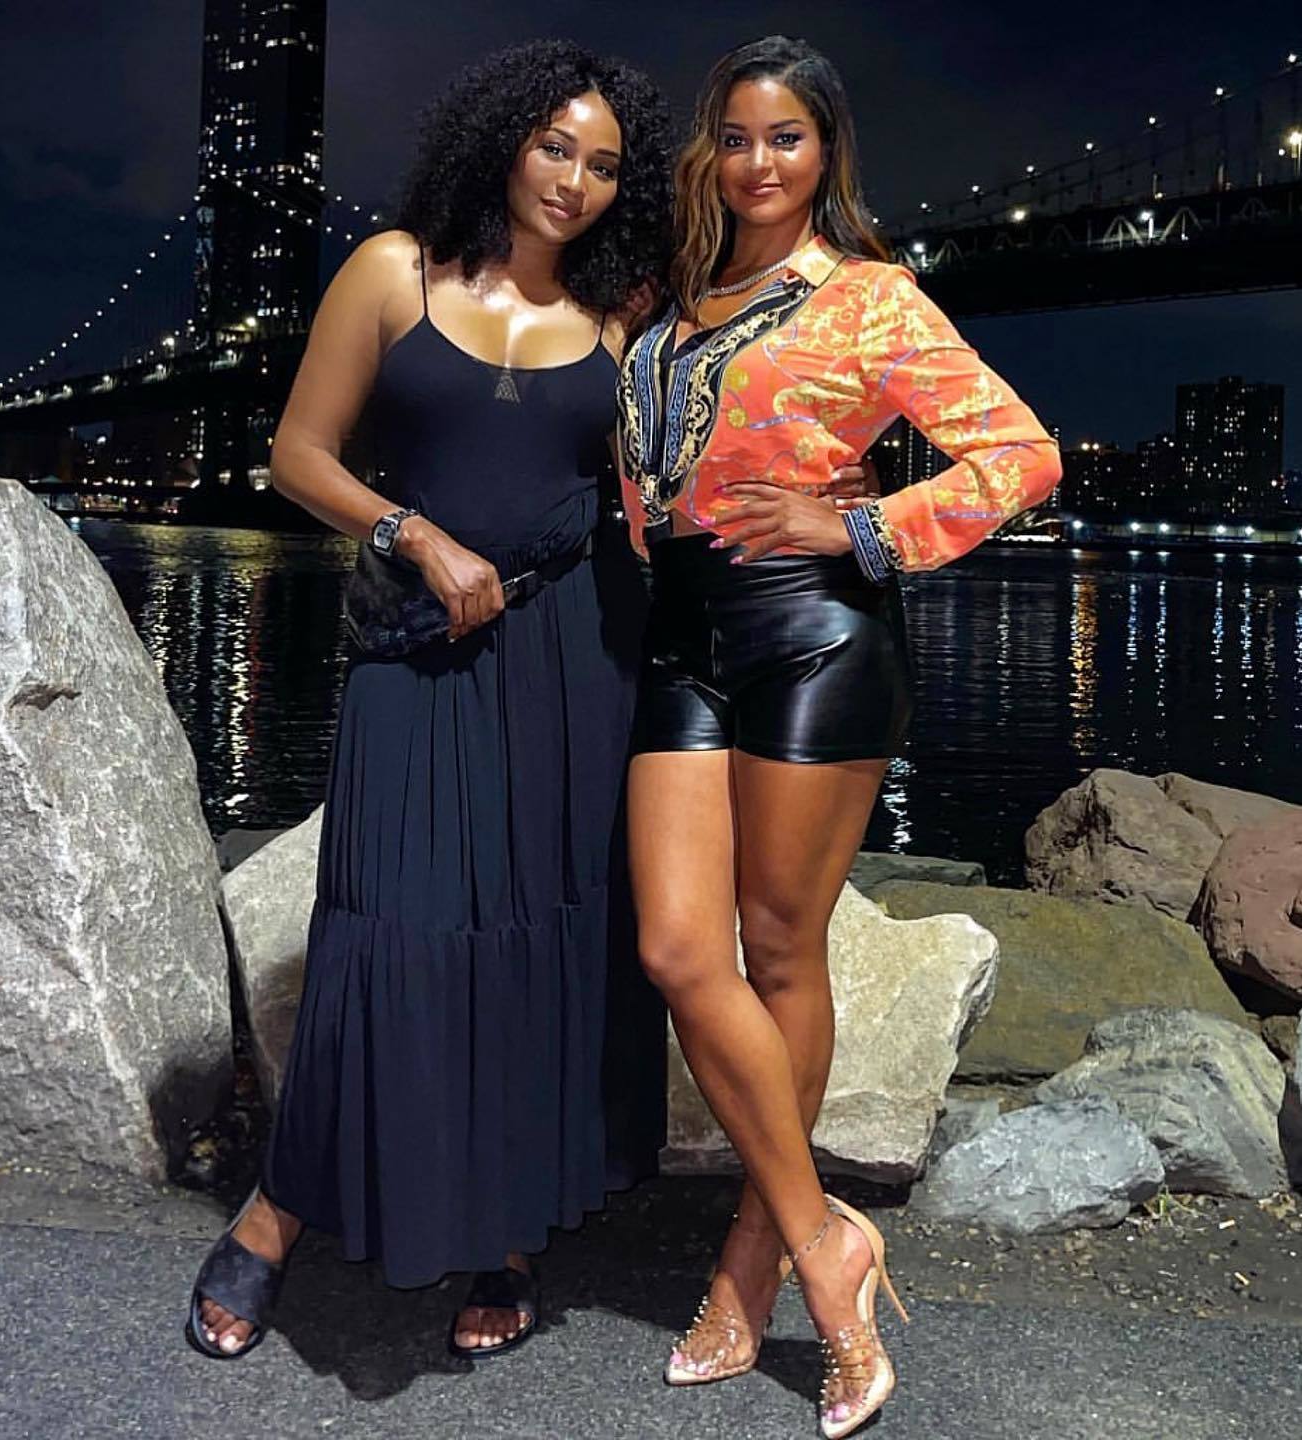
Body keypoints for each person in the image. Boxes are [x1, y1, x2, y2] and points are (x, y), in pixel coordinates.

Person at [183, 38, 676, 1362]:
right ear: (503, 139)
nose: (573, 181)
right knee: (383, 928)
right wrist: (415, 534)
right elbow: (298, 457)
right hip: (419, 637)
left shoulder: (618, 314)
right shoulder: (393, 270)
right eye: (555, 146)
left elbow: (674, 452)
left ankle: (504, 1227)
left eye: (604, 166)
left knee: (532, 934)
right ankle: (280, 1208)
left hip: (573, 654)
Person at [618, 35, 1062, 1439]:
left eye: (788, 137)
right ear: (708, 152)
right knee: (677, 949)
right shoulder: (670, 300)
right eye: (736, 136)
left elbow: (1022, 457)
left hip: (814, 635)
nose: (759, 162)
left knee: (779, 946)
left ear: (826, 155)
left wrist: (859, 525)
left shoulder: (871, 298)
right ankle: (829, 1237)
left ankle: (754, 1262)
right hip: (678, 638)